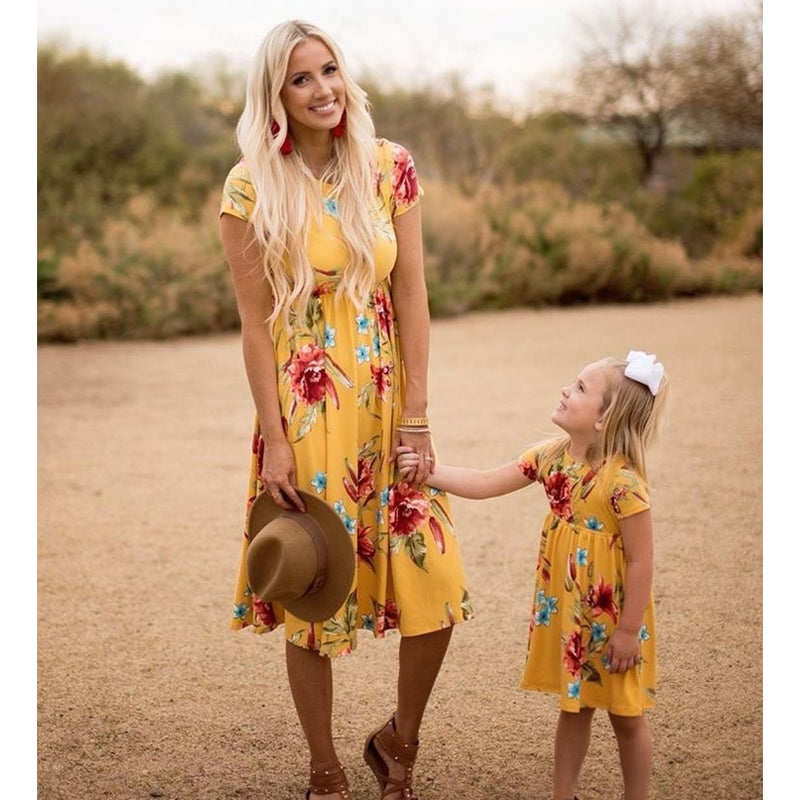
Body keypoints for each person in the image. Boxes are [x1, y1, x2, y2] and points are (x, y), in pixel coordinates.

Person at [218, 19, 474, 800]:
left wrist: (420, 411)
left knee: (435, 580)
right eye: (302, 79)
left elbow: (413, 292)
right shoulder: (250, 187)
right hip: (307, 415)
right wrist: (277, 443)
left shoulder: (390, 167)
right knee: (312, 594)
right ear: (277, 95)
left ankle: (399, 742)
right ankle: (324, 768)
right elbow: (256, 332)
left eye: (329, 70)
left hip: (390, 406)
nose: (323, 89)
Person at [397, 351, 669, 800]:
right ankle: (564, 794)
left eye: (581, 388)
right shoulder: (551, 457)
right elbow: (485, 482)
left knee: (626, 716)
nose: (566, 389)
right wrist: (429, 473)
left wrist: (627, 630)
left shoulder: (623, 483)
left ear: (605, 420)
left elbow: (642, 560)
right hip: (569, 610)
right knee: (574, 706)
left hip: (612, 616)